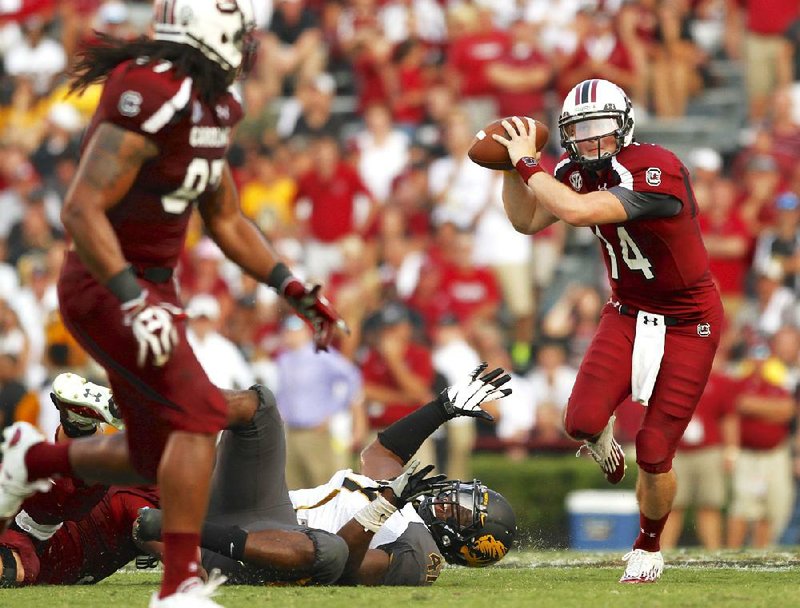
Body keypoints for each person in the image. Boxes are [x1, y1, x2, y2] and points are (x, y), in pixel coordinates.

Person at [0, 2, 345, 606]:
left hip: (154, 288)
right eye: (236, 32)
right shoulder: (148, 92)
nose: (245, 46)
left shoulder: (216, 107)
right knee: (195, 416)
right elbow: (81, 208)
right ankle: (179, 584)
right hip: (106, 283)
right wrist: (133, 301)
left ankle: (36, 458)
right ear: (205, 31)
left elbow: (227, 217)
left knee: (150, 453)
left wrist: (292, 286)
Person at [492, 78, 723, 583]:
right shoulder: (573, 172)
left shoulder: (655, 168)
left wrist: (529, 163)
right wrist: (510, 168)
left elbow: (576, 212)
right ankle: (602, 434)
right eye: (580, 130)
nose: (592, 141)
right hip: (627, 310)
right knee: (579, 421)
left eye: (601, 128)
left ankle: (647, 544)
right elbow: (527, 221)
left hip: (690, 321)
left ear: (625, 126)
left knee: (657, 450)